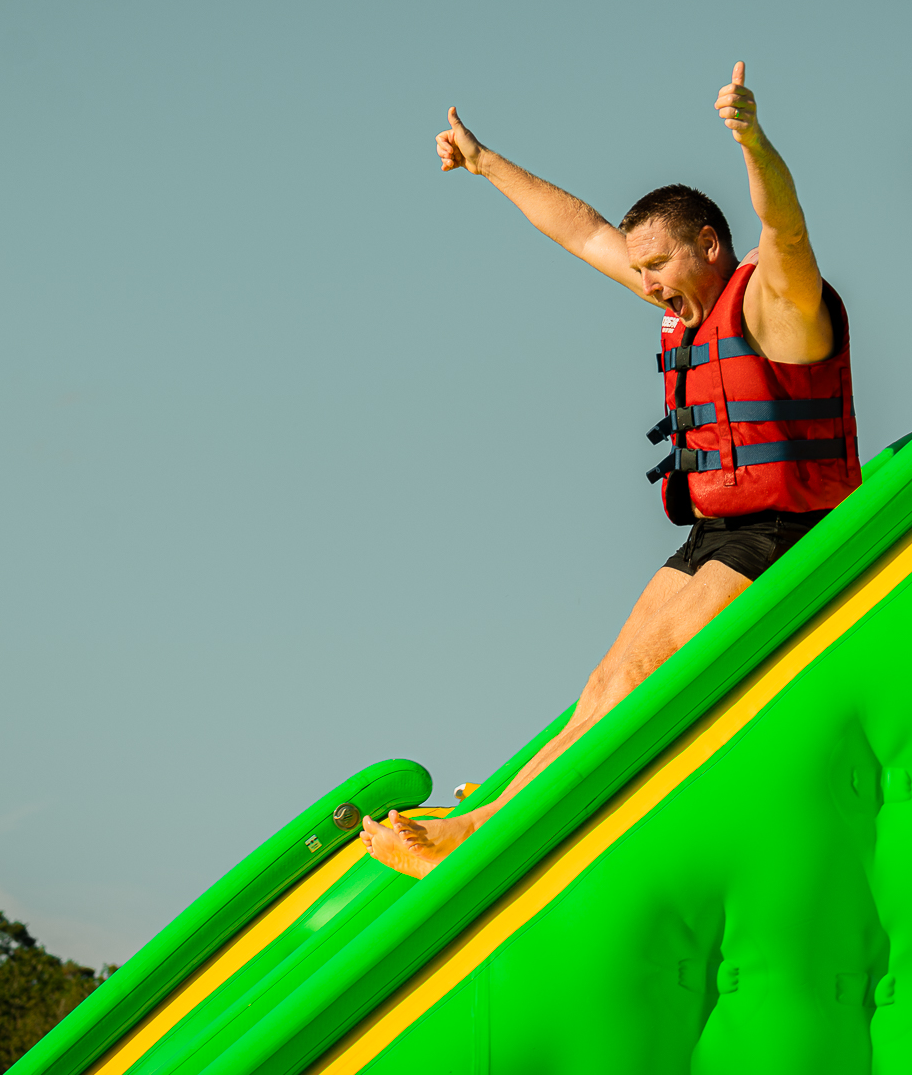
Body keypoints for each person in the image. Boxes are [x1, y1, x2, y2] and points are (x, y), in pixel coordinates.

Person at [361, 64, 860, 878]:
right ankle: (483, 817)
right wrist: (486, 164)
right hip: (719, 530)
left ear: (710, 245)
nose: (648, 282)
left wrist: (752, 140)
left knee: (636, 675)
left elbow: (787, 229)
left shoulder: (778, 303)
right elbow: (582, 229)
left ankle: (487, 839)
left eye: (659, 263)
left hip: (788, 530)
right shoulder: (684, 307)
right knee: (602, 682)